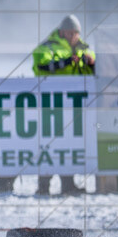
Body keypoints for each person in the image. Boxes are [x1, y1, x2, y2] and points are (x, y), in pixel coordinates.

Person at [32, 14, 96, 195]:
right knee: (49, 146)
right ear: (61, 31)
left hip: (75, 107)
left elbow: (96, 69)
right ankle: (43, 185)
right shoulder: (47, 46)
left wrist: (91, 63)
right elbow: (41, 66)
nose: (72, 36)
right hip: (51, 107)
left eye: (75, 33)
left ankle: (68, 184)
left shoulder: (85, 49)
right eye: (69, 33)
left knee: (69, 145)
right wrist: (66, 62)